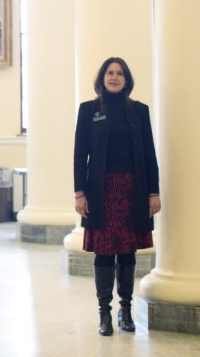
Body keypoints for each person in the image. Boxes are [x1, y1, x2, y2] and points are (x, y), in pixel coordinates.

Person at [73, 57, 161, 336]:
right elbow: (79, 154)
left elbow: (149, 154)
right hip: (100, 191)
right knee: (103, 251)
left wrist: (153, 192)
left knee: (126, 250)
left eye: (119, 73)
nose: (114, 77)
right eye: (110, 73)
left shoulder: (139, 111)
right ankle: (104, 314)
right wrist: (79, 192)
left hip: (132, 190)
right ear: (102, 78)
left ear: (126, 79)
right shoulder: (88, 110)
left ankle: (125, 311)